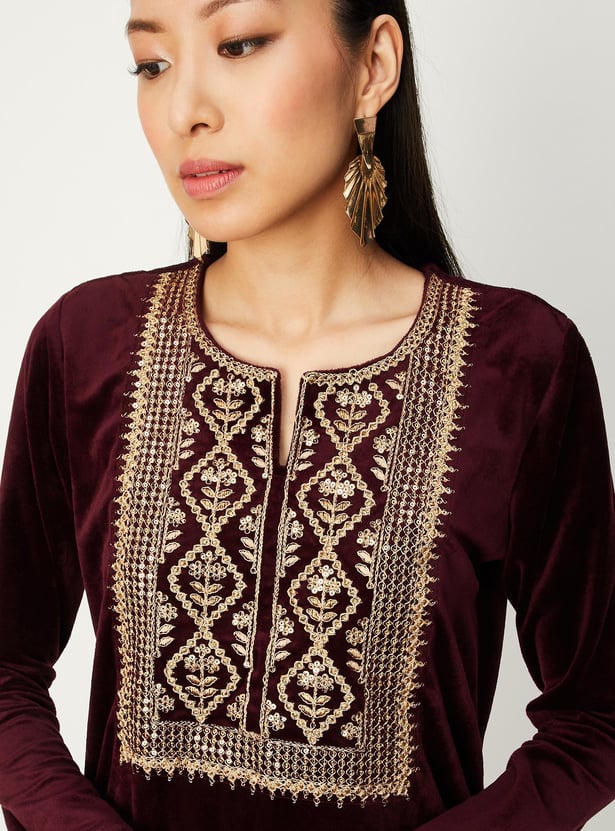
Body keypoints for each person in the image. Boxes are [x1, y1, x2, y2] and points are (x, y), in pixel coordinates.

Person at [0, 0, 614, 829]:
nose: (185, 111)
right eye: (153, 65)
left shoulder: (518, 364)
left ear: (373, 67)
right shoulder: (88, 345)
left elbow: (595, 716)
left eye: (239, 44)